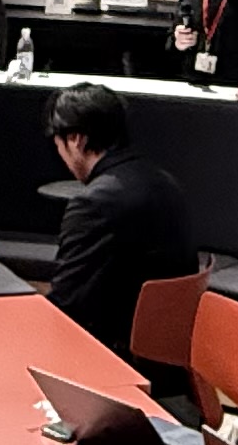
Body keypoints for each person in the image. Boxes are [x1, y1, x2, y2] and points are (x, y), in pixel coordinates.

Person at [39, 78, 200, 382]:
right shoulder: (165, 182)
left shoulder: (93, 204)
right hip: (169, 363)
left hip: (115, 364)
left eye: (58, 144)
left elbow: (66, 310)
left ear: (75, 140)